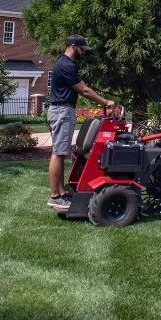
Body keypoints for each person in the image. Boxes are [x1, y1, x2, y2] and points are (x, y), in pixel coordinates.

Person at [46, 34, 114, 210]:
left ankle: (61, 193)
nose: (84, 52)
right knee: (58, 153)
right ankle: (54, 196)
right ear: (74, 46)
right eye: (83, 49)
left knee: (61, 152)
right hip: (62, 111)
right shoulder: (66, 65)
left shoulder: (64, 64)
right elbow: (84, 90)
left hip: (62, 110)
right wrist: (106, 102)